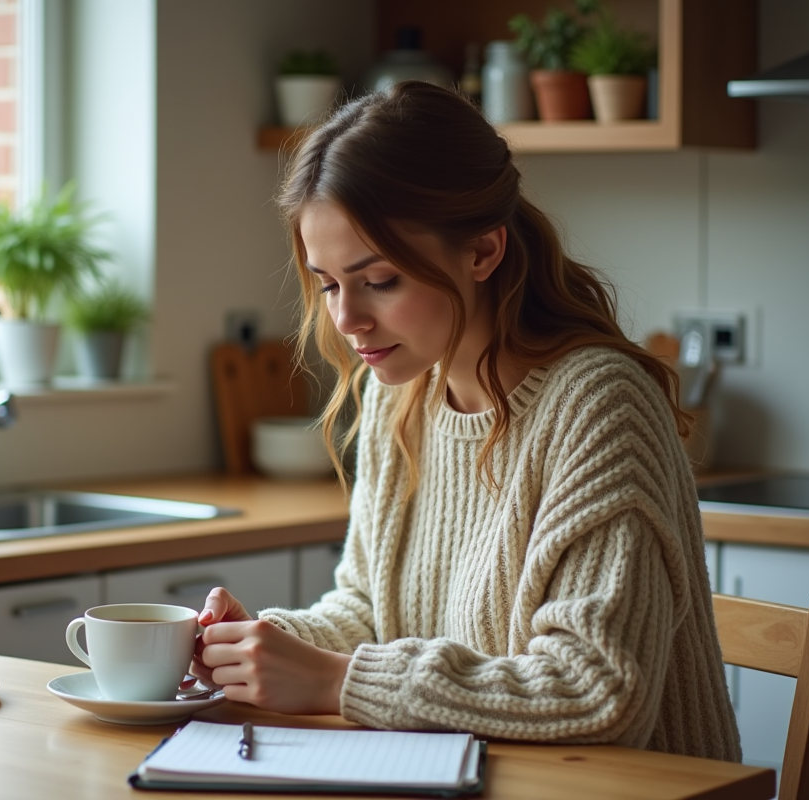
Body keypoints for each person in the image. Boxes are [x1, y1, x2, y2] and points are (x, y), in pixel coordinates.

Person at [191, 81, 740, 762]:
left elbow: (600, 692)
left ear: (482, 251)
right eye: (328, 283)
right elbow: (368, 613)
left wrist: (336, 681)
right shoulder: (402, 393)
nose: (346, 319)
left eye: (380, 279)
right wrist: (263, 647)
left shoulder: (599, 404)